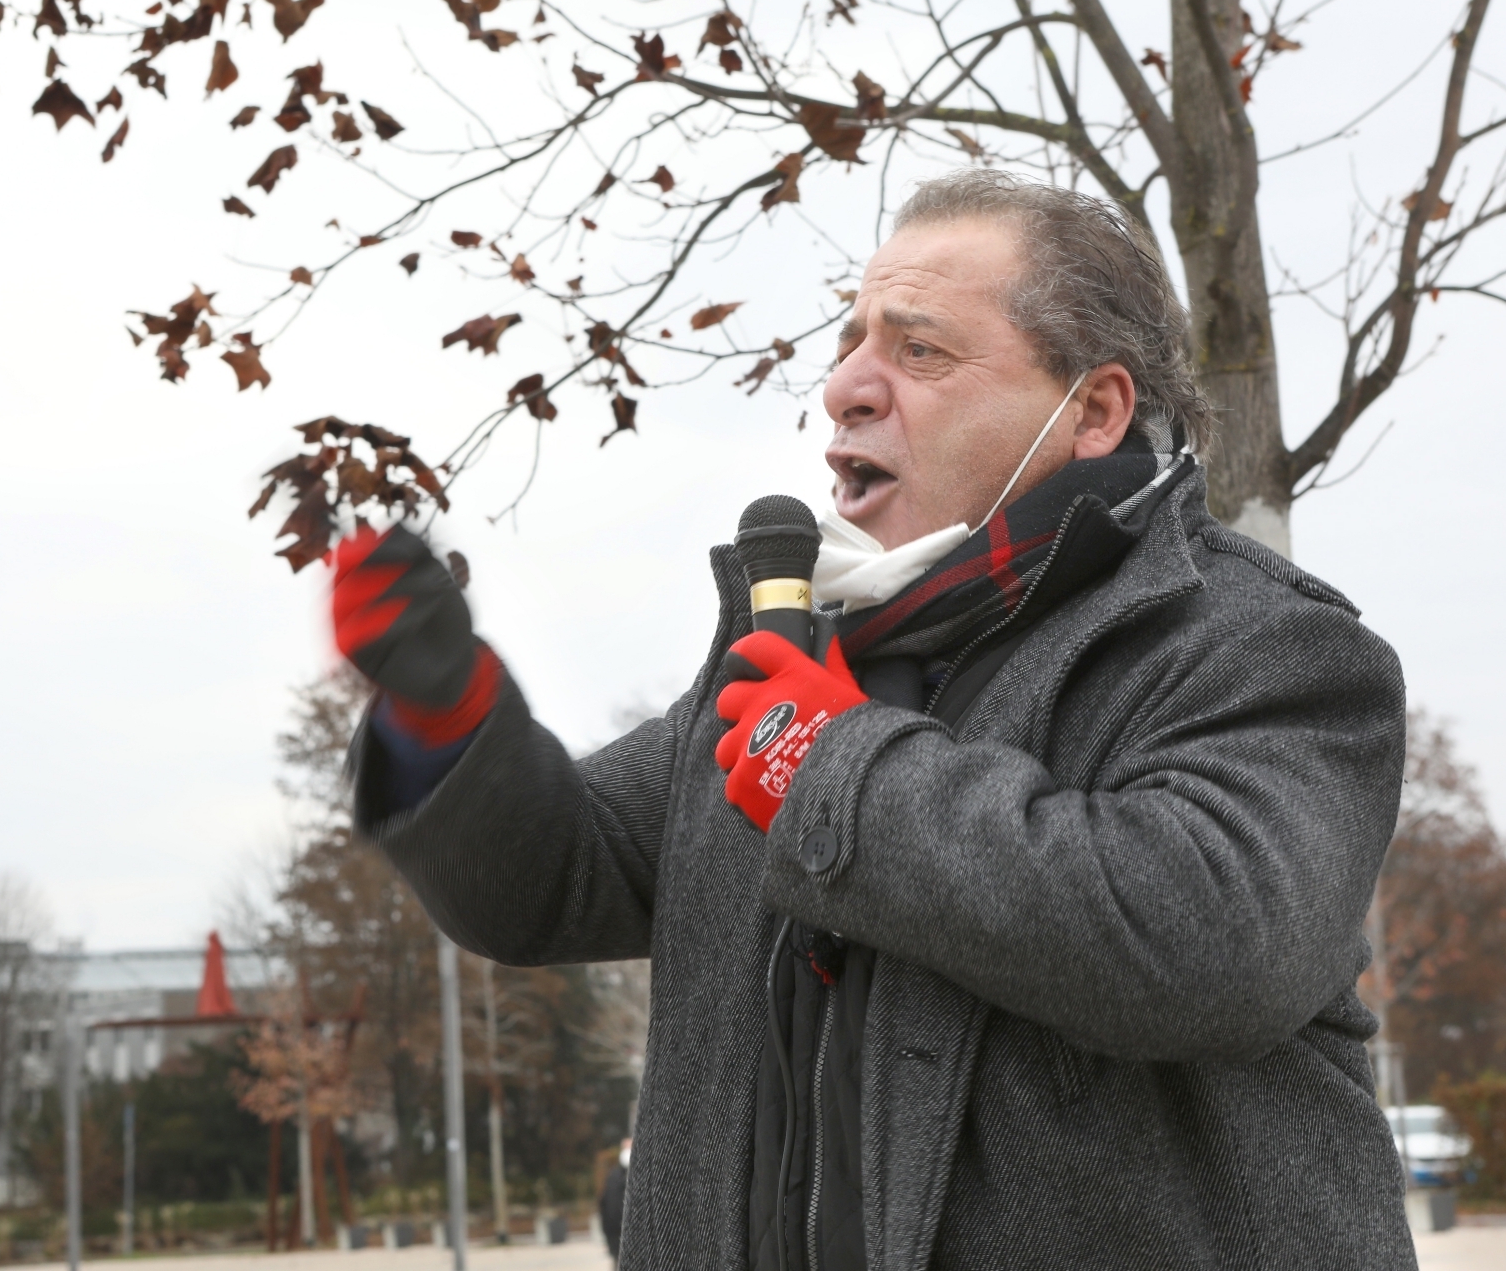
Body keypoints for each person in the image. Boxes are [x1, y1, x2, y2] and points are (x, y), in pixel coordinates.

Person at [334, 170, 1411, 1269]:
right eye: (851, 344)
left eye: (920, 350)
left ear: (1093, 411)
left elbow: (1210, 943)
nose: (847, 385)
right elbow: (557, 882)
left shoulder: (1265, 648)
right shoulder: (794, 663)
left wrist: (828, 763)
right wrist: (451, 720)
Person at [599, 1138, 630, 1263]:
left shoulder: (646, 1175)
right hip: (617, 1240)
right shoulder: (613, 1177)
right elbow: (605, 1208)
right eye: (626, 1148)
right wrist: (608, 1241)